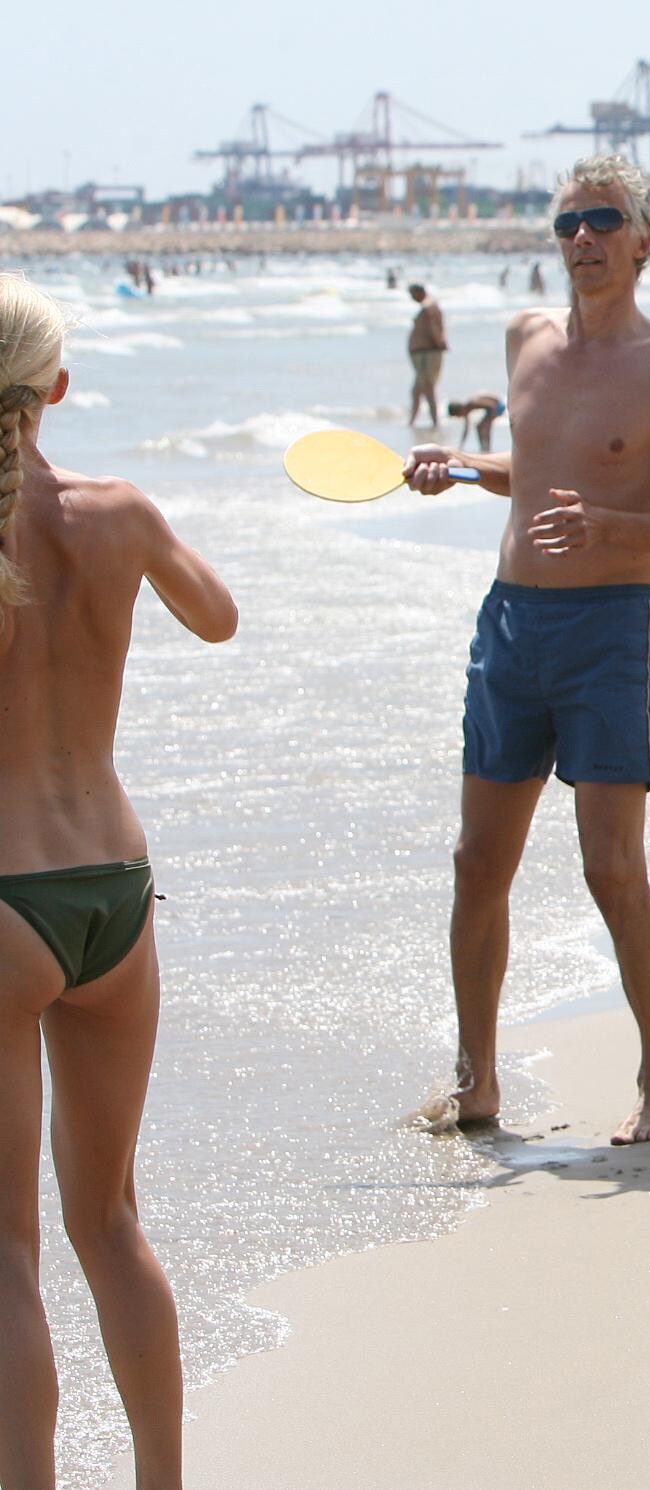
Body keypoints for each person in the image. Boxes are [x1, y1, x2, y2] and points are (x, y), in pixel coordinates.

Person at [402, 154, 650, 1145]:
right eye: (568, 223)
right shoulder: (523, 339)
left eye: (604, 219)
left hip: (612, 628)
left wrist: (610, 529)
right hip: (511, 624)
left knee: (610, 866)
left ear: (643, 240)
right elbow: (540, 468)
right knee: (475, 862)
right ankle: (477, 1079)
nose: (583, 238)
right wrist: (464, 468)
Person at [0, 272, 236, 1490]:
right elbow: (221, 615)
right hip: (116, 893)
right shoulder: (121, 511)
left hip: (3, 902)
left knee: (7, 1256)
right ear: (59, 389)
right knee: (113, 1222)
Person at [407, 283, 446, 427]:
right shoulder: (427, 306)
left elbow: (435, 328)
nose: (411, 298)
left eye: (412, 294)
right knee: (417, 390)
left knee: (428, 387)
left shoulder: (429, 307)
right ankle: (412, 421)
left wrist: (438, 344)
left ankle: (435, 421)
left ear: (419, 292)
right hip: (423, 353)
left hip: (428, 353)